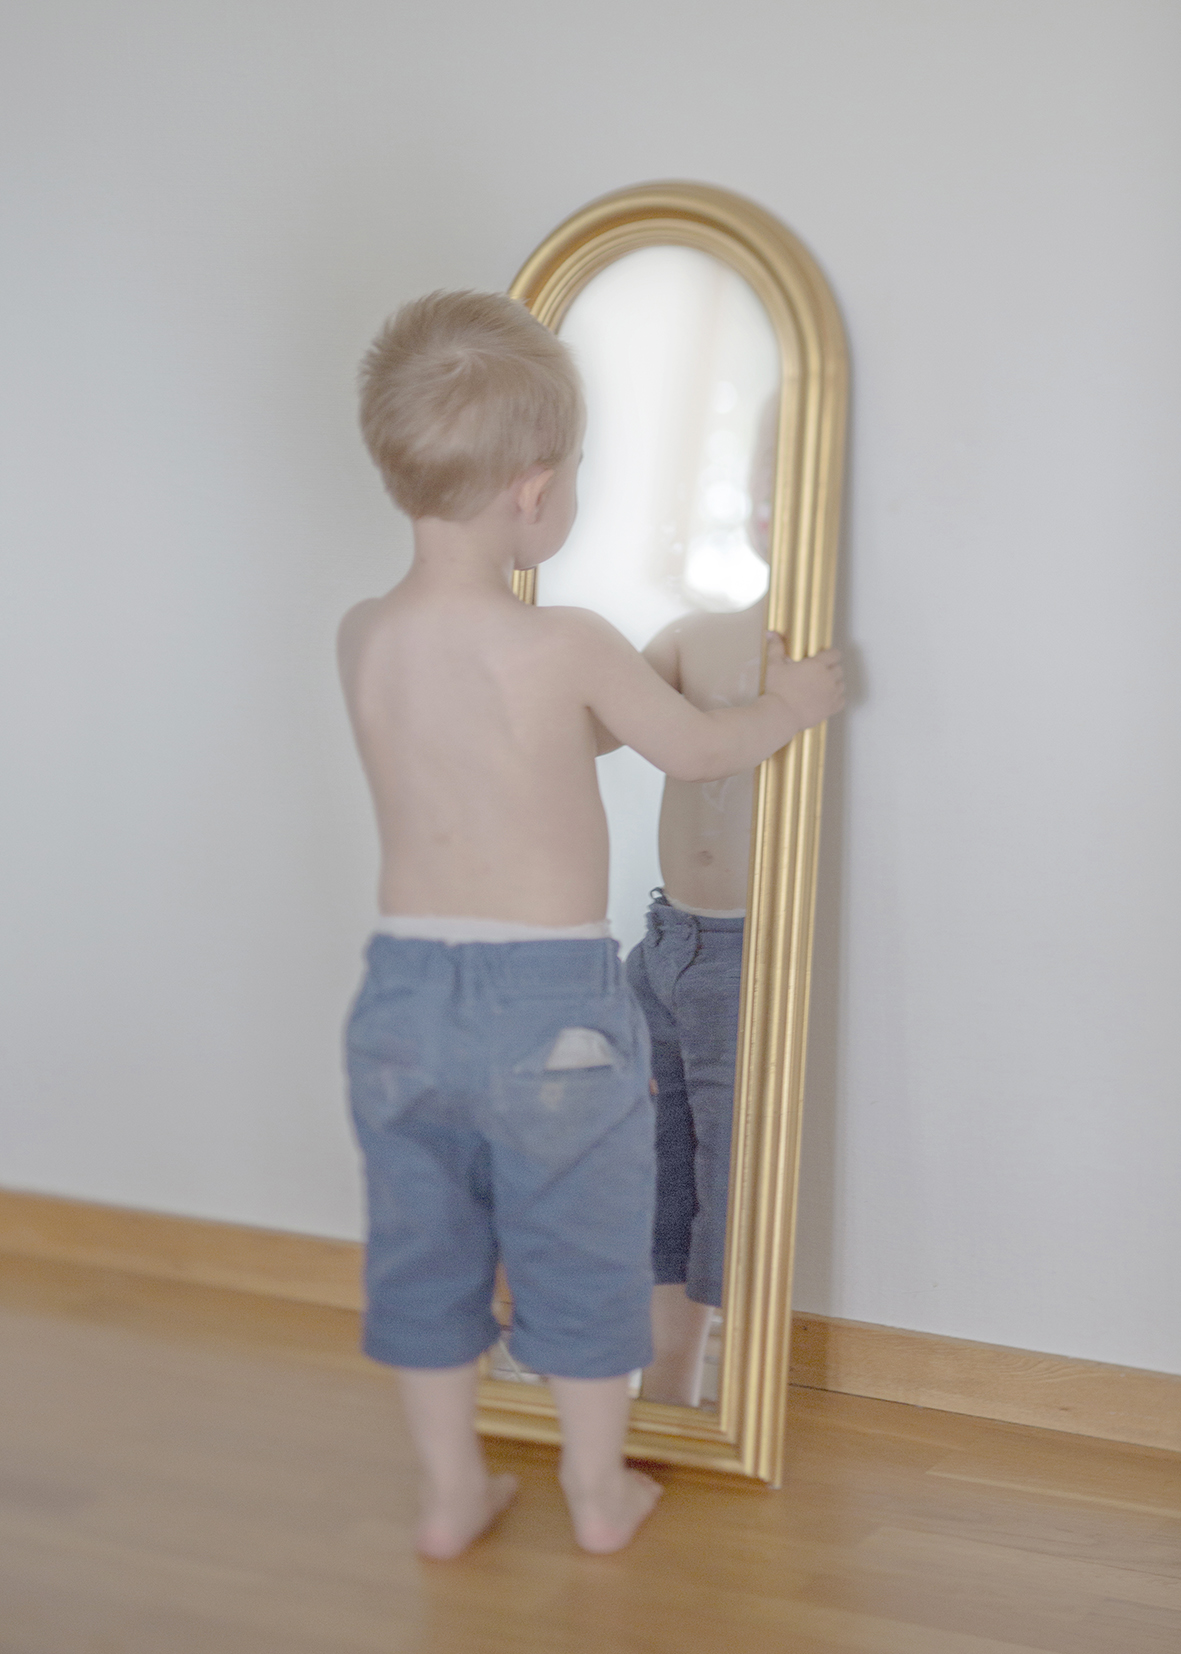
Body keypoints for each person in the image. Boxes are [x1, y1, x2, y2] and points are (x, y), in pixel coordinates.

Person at [338, 291, 844, 1558]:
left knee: (426, 1249)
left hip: (401, 998)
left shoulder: (365, 638)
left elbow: (485, 751)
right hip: (545, 1002)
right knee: (577, 1240)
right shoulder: (564, 641)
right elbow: (697, 745)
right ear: (535, 491)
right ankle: (595, 1489)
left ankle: (449, 1493)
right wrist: (788, 706)